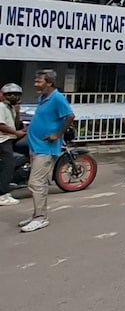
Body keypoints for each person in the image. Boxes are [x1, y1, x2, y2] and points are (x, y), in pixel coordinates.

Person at [20, 69, 75, 232]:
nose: (35, 83)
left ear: (49, 82)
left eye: (39, 81)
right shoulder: (43, 97)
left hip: (46, 148)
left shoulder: (57, 98)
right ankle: (37, 214)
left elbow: (70, 116)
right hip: (35, 145)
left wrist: (57, 134)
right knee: (40, 183)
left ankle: (41, 218)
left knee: (35, 183)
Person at [0, 83, 27, 206]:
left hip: (8, 139)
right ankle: (2, 195)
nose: (13, 96)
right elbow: (1, 125)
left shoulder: (11, 108)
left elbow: (15, 124)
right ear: (3, 95)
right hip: (2, 140)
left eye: (16, 94)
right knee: (8, 166)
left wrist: (18, 113)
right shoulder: (1, 106)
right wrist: (17, 133)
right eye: (9, 94)